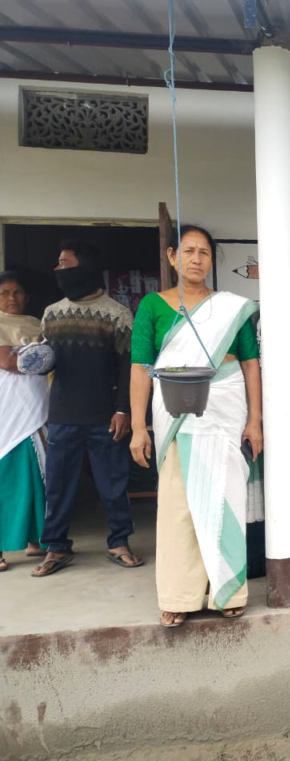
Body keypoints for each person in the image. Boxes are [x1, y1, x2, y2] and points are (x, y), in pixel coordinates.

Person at [129, 225, 262, 627]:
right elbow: (139, 368)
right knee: (178, 504)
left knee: (225, 497)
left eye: (204, 252)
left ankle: (228, 591)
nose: (197, 259)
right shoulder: (152, 306)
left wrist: (256, 420)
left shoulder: (232, 308)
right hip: (174, 409)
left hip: (225, 404)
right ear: (172, 256)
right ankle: (179, 595)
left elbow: (251, 364)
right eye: (188, 251)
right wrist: (138, 426)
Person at [32, 241, 142, 577]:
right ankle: (56, 547)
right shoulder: (51, 313)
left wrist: (123, 410)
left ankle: (119, 542)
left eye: (65, 263)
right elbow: (43, 360)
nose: (58, 269)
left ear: (85, 268)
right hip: (63, 413)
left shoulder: (118, 314)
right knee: (59, 483)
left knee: (113, 481)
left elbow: (130, 367)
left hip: (105, 414)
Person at [0, 272, 48, 572]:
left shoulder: (38, 325)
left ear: (26, 296)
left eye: (17, 292)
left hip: (37, 407)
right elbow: (7, 362)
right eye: (4, 293)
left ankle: (36, 540)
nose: (12, 298)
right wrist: (36, 357)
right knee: (6, 476)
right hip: (7, 410)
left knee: (38, 472)